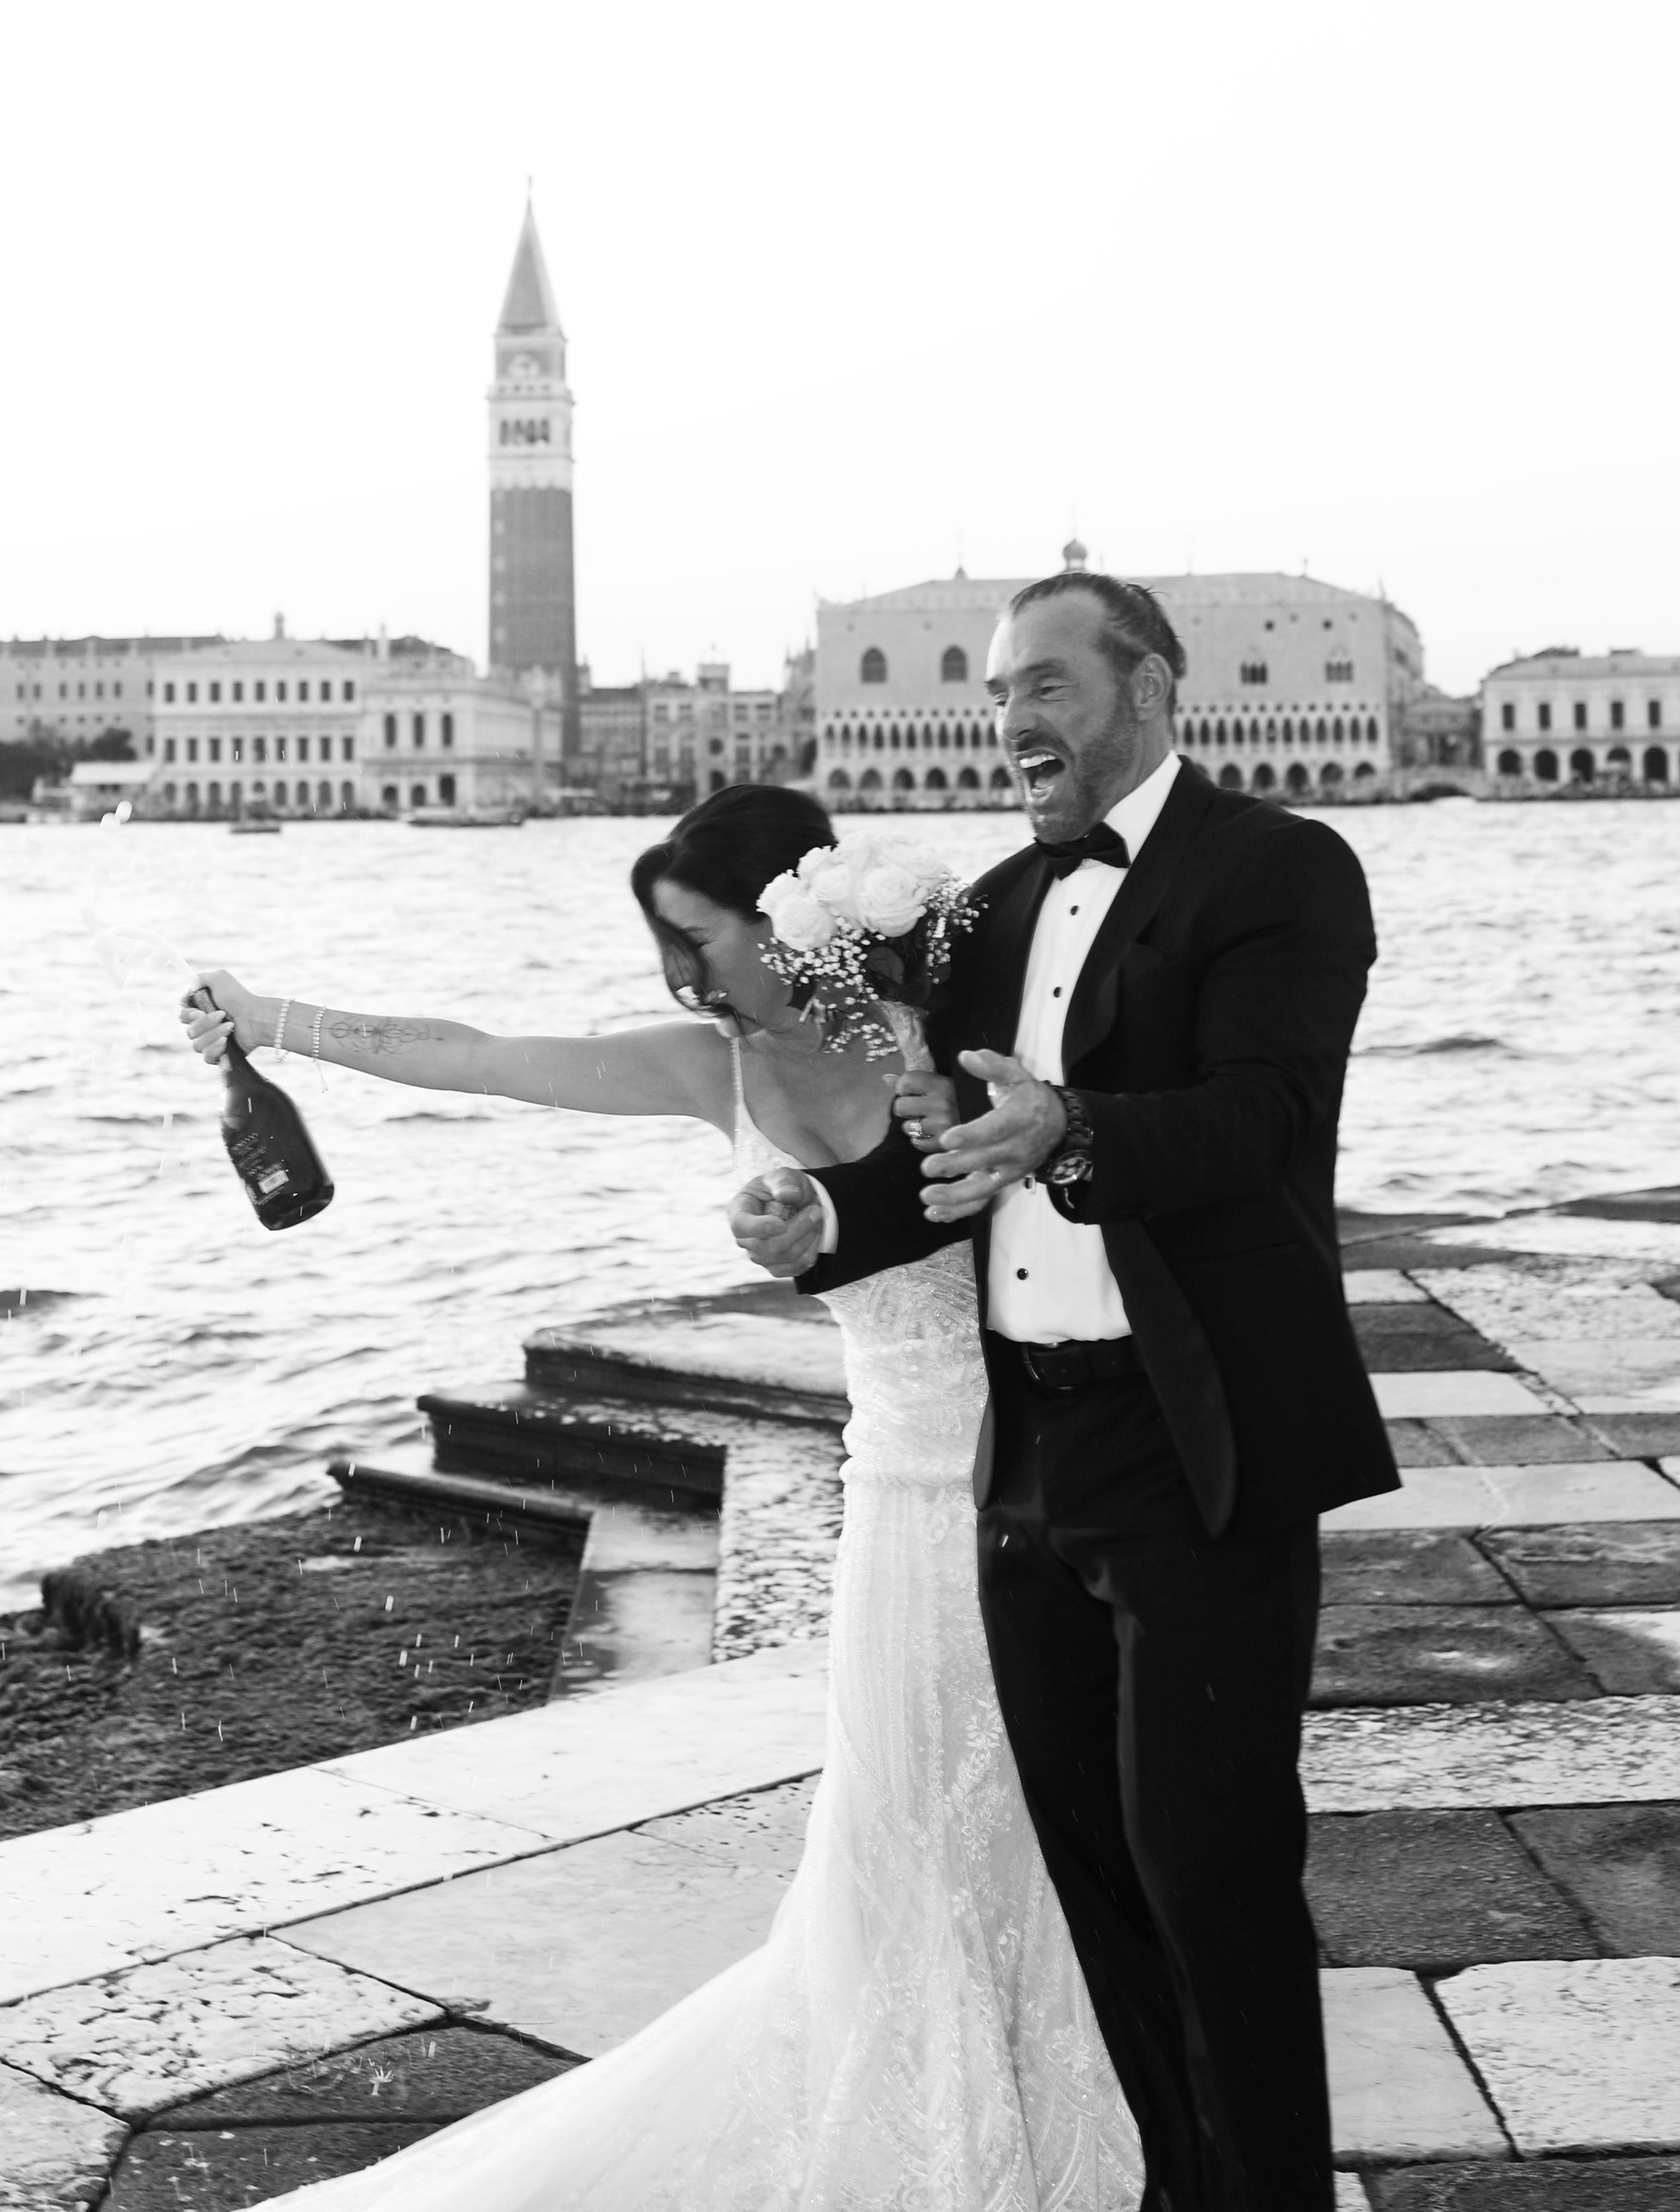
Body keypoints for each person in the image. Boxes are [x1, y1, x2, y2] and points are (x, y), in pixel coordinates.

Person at [181, 782, 1141, 2212]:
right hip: (900, 1487)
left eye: (696, 939)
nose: (677, 977)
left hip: (1055, 1470)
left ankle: (1081, 2067)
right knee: (910, 1808)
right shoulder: (712, 1071)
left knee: (1050, 1797)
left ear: (789, 919)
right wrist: (270, 1021)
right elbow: (484, 1056)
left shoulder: (946, 1027)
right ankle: (934, 2116)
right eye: (662, 948)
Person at [733, 572, 1398, 2212]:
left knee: (1209, 1878)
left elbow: (1260, 1117)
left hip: (1198, 1440)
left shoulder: (1279, 869)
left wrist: (1073, 1128)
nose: (1011, 720)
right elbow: (951, 1157)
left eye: (1046, 684)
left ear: (1150, 688)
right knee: (1092, 1876)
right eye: (996, 691)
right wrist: (821, 1219)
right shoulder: (991, 913)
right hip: (1020, 1450)